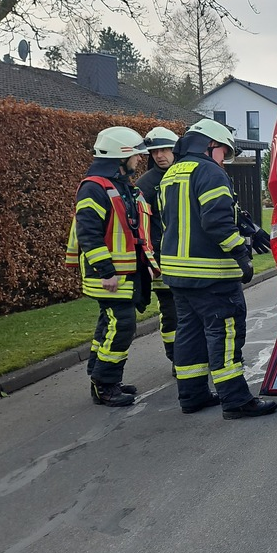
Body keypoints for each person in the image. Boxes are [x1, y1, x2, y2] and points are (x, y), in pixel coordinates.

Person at [159, 118, 277, 419]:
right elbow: (216, 222)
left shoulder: (172, 173)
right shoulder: (210, 172)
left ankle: (193, 396)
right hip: (211, 275)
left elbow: (184, 218)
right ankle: (236, 400)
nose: (224, 159)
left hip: (178, 273)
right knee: (224, 334)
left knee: (189, 333)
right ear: (210, 145)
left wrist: (253, 231)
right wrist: (241, 252)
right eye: (224, 152)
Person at [64, 126, 157, 407]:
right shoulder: (94, 188)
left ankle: (103, 379)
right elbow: (88, 233)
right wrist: (107, 272)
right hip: (109, 275)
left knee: (110, 323)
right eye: (135, 156)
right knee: (122, 326)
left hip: (122, 273)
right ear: (121, 157)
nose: (139, 161)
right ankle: (105, 384)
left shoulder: (122, 187)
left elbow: (132, 230)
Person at [136, 126, 180, 374]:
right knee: (171, 311)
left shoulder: (185, 174)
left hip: (186, 257)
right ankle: (176, 358)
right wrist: (153, 261)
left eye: (164, 149)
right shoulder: (146, 185)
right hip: (161, 260)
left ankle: (192, 354)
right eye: (154, 151)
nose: (160, 155)